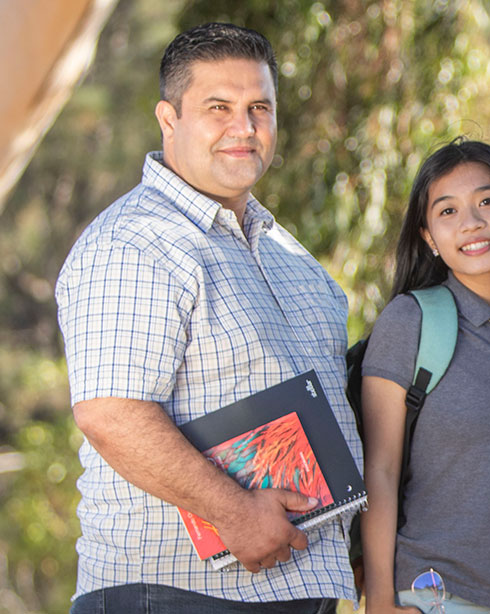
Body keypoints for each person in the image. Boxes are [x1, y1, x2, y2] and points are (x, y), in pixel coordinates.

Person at [55, 23, 358, 613]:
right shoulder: (136, 242)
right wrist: (235, 512)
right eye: (218, 107)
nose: (243, 128)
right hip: (175, 592)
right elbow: (111, 413)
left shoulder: (290, 255)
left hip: (298, 587)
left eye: (259, 108)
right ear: (169, 120)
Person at [359, 139, 490, 614]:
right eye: (447, 211)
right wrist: (381, 604)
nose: (471, 223)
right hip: (432, 596)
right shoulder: (409, 321)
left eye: (487, 202)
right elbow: (381, 472)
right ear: (429, 235)